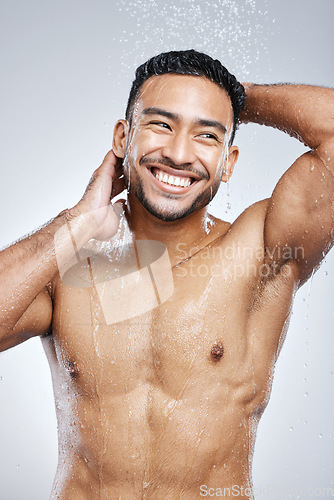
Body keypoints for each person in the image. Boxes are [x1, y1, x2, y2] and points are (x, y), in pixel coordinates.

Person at [0, 49, 333, 499]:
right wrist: (74, 222)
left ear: (229, 163)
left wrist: (237, 97)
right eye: (161, 124)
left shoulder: (261, 252)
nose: (178, 153)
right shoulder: (67, 266)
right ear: (123, 137)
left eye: (207, 135)